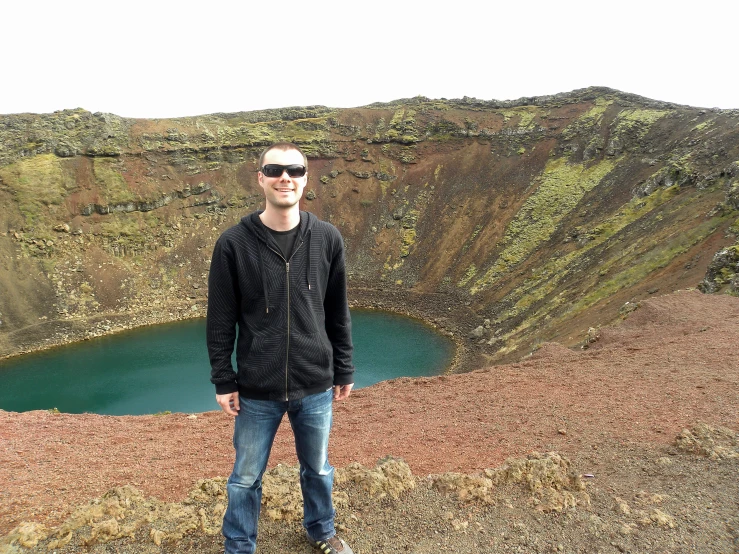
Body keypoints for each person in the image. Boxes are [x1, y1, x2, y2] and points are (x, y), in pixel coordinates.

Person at [207, 142, 355, 554]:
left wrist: (343, 369)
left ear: (306, 178)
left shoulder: (327, 238)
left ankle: (322, 532)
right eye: (274, 170)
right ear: (260, 178)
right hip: (257, 389)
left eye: (294, 170)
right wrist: (224, 378)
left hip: (315, 384)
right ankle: (239, 547)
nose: (284, 177)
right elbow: (220, 320)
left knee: (319, 470)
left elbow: (336, 310)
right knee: (244, 477)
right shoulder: (233, 243)